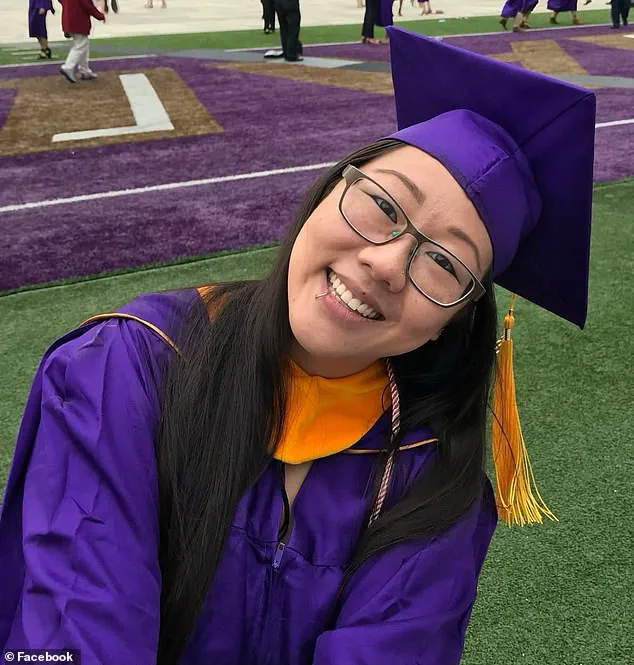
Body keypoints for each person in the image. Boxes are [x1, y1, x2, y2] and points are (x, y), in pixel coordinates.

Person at [0, 27, 596, 665]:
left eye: (445, 263)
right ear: (327, 190)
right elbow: (75, 629)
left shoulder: (431, 480)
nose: (386, 264)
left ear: (449, 323)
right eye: (382, 205)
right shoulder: (129, 366)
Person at [58, 0, 106, 83]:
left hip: (68, 19)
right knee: (80, 45)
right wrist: (100, 16)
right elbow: (89, 7)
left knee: (83, 45)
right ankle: (68, 66)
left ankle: (85, 70)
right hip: (78, 20)